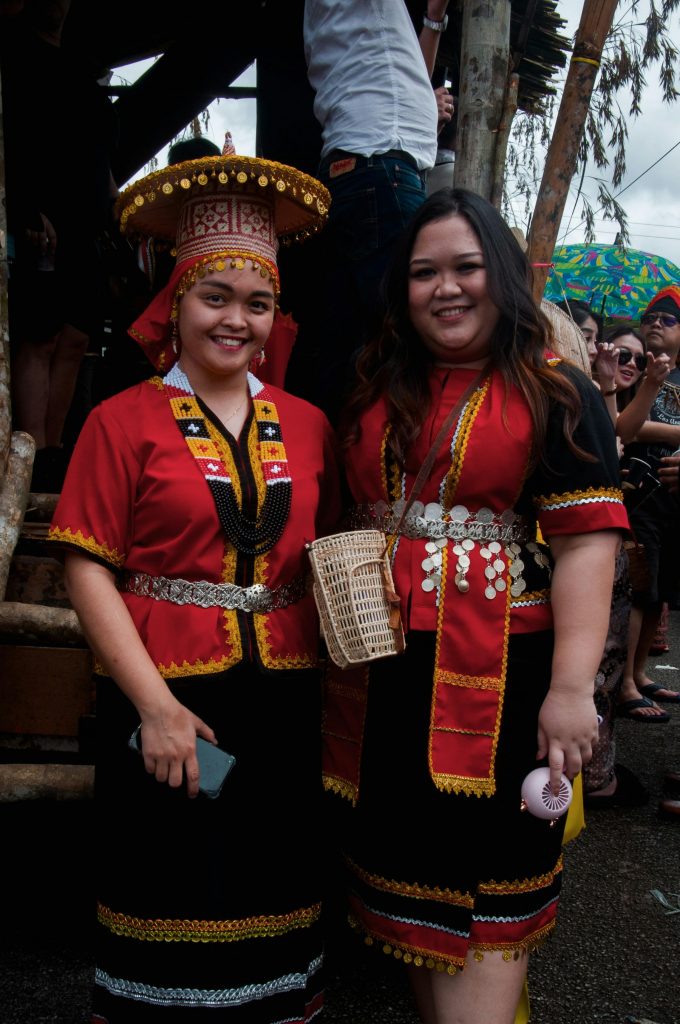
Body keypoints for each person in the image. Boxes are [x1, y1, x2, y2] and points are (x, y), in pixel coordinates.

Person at [321, 189, 628, 1024]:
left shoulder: (560, 392)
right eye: (424, 273)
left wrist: (572, 691)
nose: (446, 288)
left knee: (486, 911)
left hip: (501, 692)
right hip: (384, 684)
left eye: (466, 267)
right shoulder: (375, 379)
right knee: (411, 913)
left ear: (502, 276)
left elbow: (586, 546)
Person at [47, 154, 341, 1022]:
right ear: (173, 303)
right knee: (173, 884)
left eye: (258, 303)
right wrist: (157, 710)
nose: (237, 320)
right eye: (215, 297)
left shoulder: (310, 424)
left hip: (285, 699)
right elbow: (85, 566)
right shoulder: (119, 418)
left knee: (273, 883)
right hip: (169, 696)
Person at [294, 0, 451, 419]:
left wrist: (433, 18)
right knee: (421, 337)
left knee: (350, 349)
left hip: (368, 167)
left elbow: (408, 73)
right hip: (380, 167)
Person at [1, 0, 119, 491]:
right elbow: (15, 142)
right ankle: (31, 455)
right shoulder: (13, 57)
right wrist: (26, 210)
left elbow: (100, 152)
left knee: (75, 338)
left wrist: (114, 204)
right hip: (42, 217)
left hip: (86, 219)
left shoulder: (81, 69)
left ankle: (52, 454)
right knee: (40, 335)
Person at [616, 285, 680, 711]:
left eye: (668, 320)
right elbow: (628, 428)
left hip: (673, 503)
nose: (655, 324)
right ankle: (624, 685)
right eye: (650, 318)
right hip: (638, 496)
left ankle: (641, 674)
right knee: (638, 591)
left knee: (659, 594)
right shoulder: (635, 367)